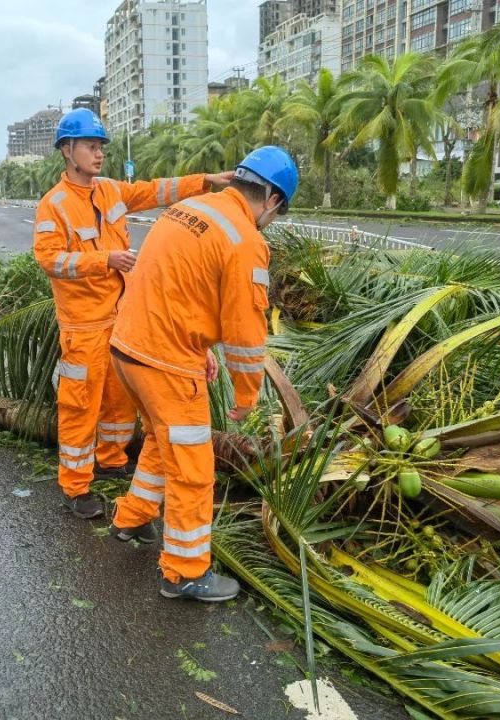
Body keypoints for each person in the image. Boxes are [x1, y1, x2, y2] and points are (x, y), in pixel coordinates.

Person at [107, 146, 299, 602]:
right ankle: (186, 571)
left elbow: (174, 282)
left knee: (158, 439)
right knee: (194, 468)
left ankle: (131, 518)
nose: (272, 220)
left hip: (128, 347)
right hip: (167, 365)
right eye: (278, 211)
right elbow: (246, 334)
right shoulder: (245, 240)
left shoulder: (188, 209)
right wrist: (247, 396)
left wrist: (200, 348)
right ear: (271, 198)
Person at [33, 108, 233, 521]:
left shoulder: (109, 190)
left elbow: (154, 190)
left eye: (101, 146)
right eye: (91, 146)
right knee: (80, 405)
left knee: (121, 398)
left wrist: (205, 182)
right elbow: (49, 259)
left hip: (121, 319)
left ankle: (110, 457)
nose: (99, 153)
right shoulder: (53, 205)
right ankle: (75, 485)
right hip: (83, 326)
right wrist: (106, 260)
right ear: (68, 151)